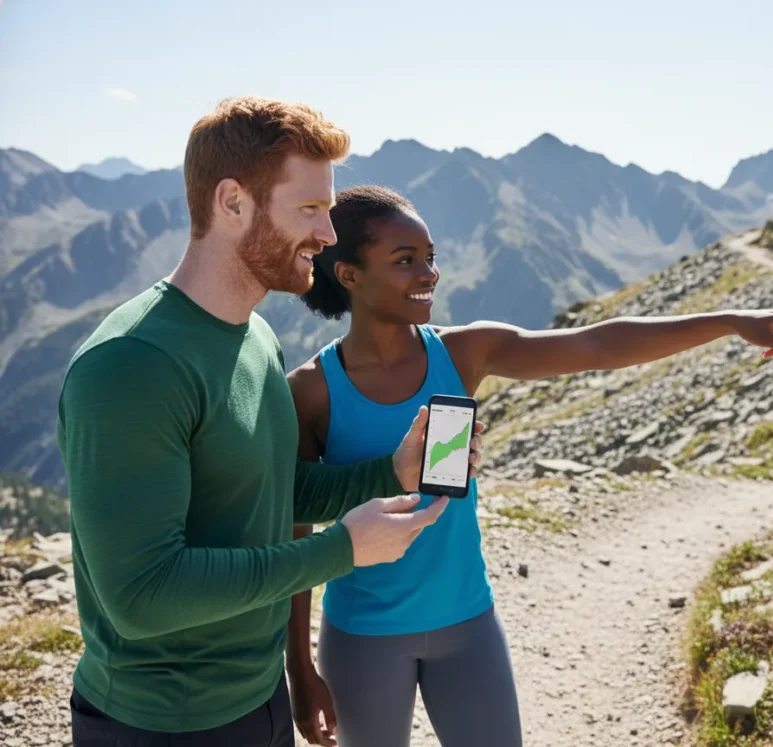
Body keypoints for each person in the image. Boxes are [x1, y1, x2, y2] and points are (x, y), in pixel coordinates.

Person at [285, 185, 773, 746]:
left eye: (431, 257)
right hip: (361, 635)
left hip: (467, 623)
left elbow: (597, 345)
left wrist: (733, 321)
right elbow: (294, 522)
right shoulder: (310, 391)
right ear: (349, 274)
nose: (428, 273)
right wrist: (299, 666)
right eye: (406, 261)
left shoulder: (463, 353)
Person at [57, 99, 484, 747]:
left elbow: (270, 489)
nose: (327, 234)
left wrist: (388, 472)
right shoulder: (130, 366)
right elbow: (141, 595)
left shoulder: (256, 337)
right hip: (160, 722)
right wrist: (340, 550)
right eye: (310, 211)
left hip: (258, 700)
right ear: (232, 203)